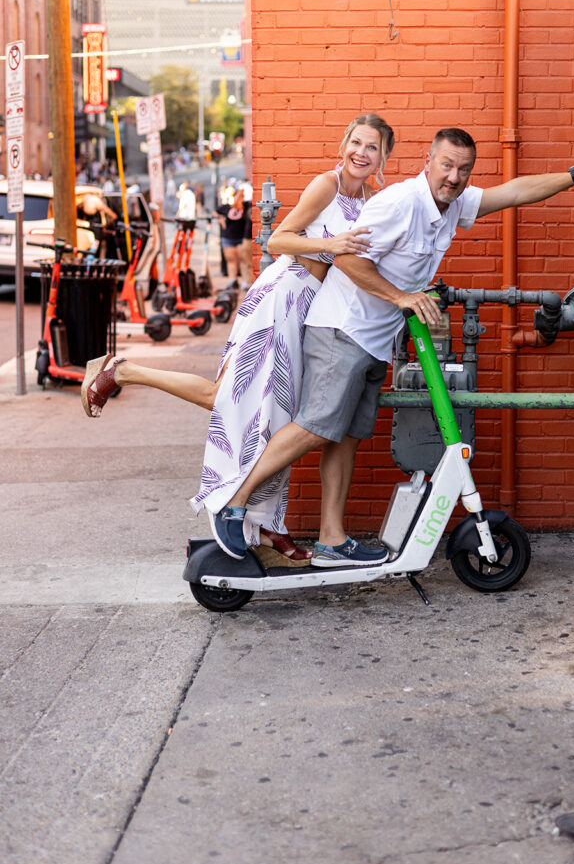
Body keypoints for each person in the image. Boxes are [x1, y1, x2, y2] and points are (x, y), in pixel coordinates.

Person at [211, 129, 574, 568]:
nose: (454, 176)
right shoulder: (400, 204)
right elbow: (348, 258)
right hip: (341, 328)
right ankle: (232, 504)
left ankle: (332, 540)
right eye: (446, 165)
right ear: (428, 161)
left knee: (346, 436)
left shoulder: (454, 203)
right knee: (316, 426)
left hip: (373, 338)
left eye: (463, 169)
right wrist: (403, 297)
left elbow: (514, 192)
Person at [81, 114, 396, 564]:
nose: (362, 154)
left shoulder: (374, 200)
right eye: (356, 143)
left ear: (384, 157)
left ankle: (265, 525)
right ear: (344, 143)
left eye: (373, 148)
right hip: (280, 298)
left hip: (313, 312)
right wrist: (335, 246)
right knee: (225, 397)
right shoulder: (326, 185)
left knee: (279, 415)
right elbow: (279, 240)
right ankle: (125, 370)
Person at [215, 179, 244, 285]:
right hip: (228, 237)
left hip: (241, 237)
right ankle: (232, 280)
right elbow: (216, 212)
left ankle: (244, 282)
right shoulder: (225, 207)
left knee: (242, 261)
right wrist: (220, 220)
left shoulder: (243, 205)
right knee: (231, 260)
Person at [239, 178, 254, 290]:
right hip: (247, 236)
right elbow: (236, 203)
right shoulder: (246, 204)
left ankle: (251, 282)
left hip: (253, 236)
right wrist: (241, 191)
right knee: (247, 261)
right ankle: (249, 282)